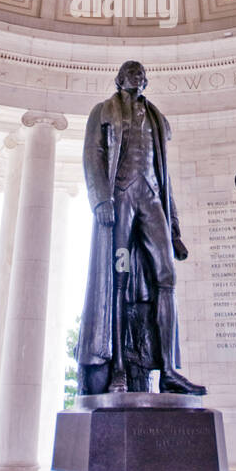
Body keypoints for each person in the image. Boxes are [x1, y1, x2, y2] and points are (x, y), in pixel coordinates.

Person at [76, 60, 207, 395]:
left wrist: (174, 229)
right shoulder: (103, 111)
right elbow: (92, 157)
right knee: (118, 282)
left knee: (167, 277)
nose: (140, 78)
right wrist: (101, 201)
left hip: (150, 199)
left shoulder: (156, 118)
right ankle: (118, 368)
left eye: (143, 75)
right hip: (120, 198)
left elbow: (166, 179)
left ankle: (167, 372)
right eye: (134, 74)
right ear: (119, 78)